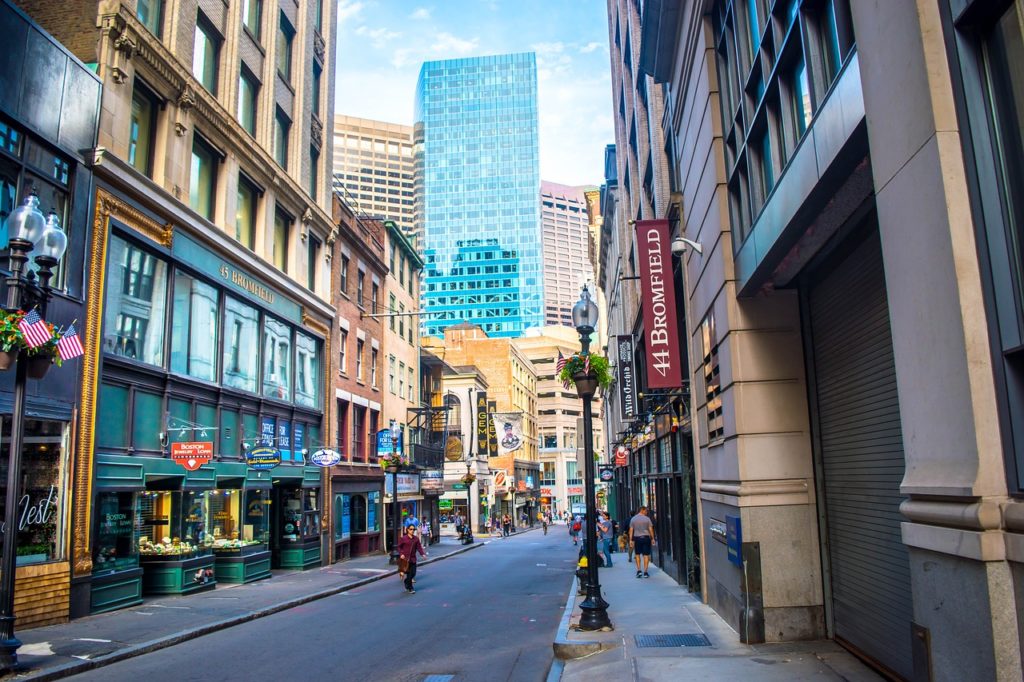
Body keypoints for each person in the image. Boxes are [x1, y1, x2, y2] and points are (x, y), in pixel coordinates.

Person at [397, 524, 426, 593]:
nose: (412, 531)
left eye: (413, 529)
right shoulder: (403, 538)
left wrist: (423, 554)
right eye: (411, 529)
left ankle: (406, 581)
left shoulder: (416, 539)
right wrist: (401, 554)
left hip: (413, 559)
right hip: (405, 559)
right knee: (409, 574)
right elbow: (399, 547)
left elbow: (419, 547)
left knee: (413, 573)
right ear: (407, 530)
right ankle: (410, 588)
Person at [628, 506, 656, 578]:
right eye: (646, 511)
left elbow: (631, 530)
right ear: (642, 510)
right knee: (646, 555)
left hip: (637, 538)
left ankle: (639, 571)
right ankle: (646, 572)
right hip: (646, 538)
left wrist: (631, 540)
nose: (647, 512)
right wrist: (653, 538)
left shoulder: (633, 519)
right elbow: (651, 529)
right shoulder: (647, 519)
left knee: (637, 554)